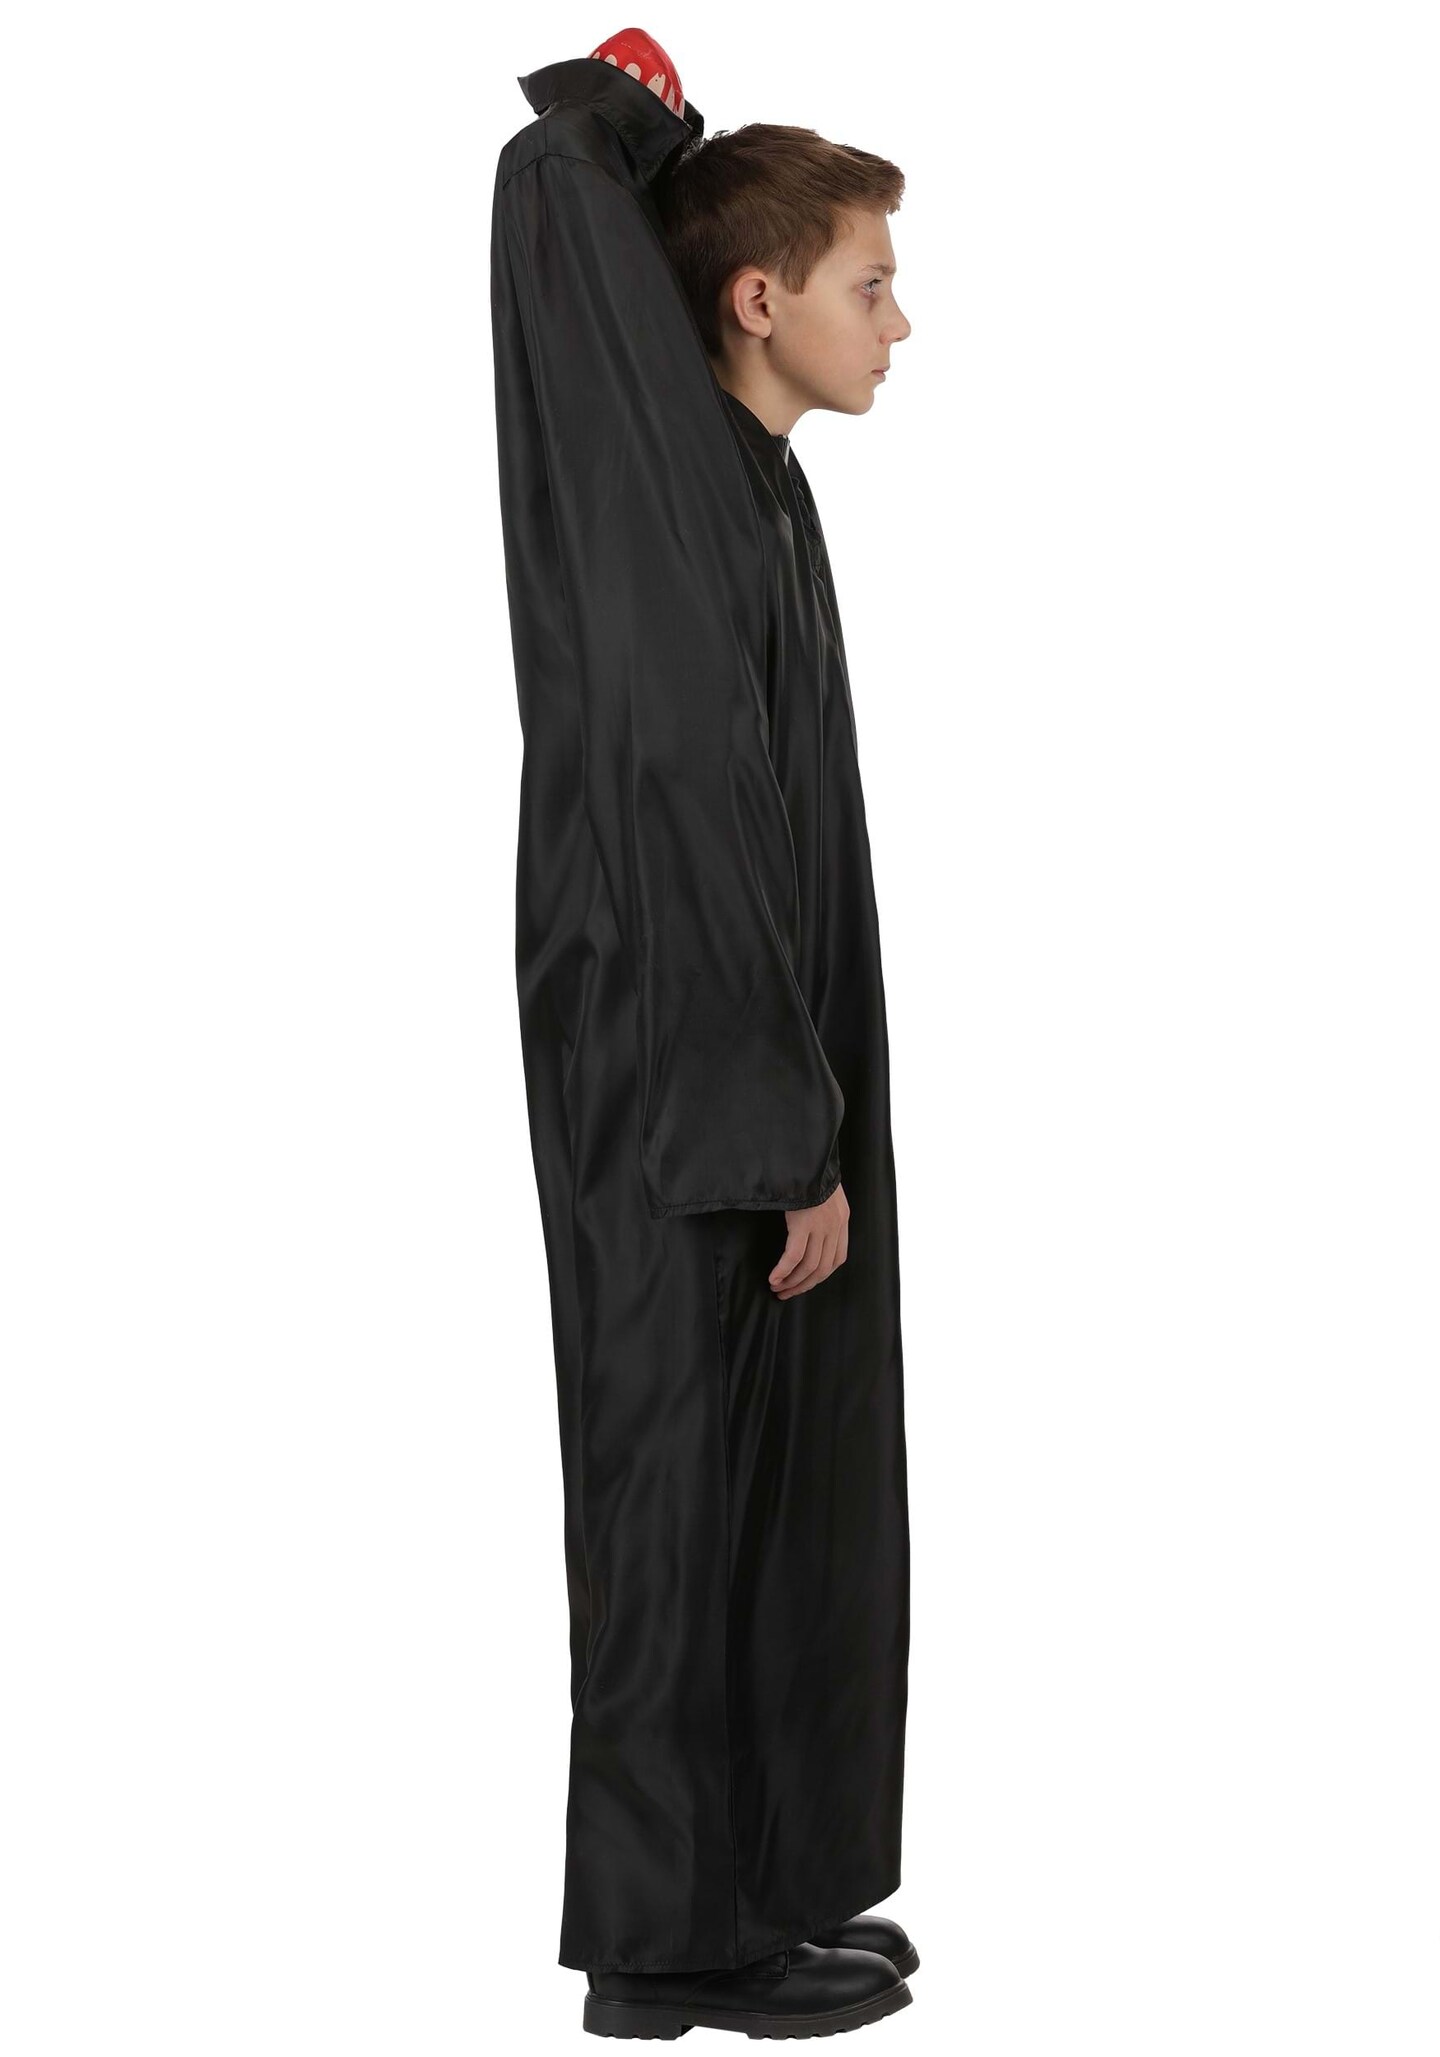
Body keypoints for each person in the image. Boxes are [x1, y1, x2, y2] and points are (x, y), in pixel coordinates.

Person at [490, 41, 916, 2039]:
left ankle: (746, 1889)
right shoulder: (686, 513)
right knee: (670, 1495)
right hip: (684, 1090)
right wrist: (777, 1135)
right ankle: (664, 1954)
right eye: (869, 282)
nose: (900, 322)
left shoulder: (745, 494)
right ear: (757, 298)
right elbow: (684, 816)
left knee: (745, 1480)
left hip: (725, 1077)